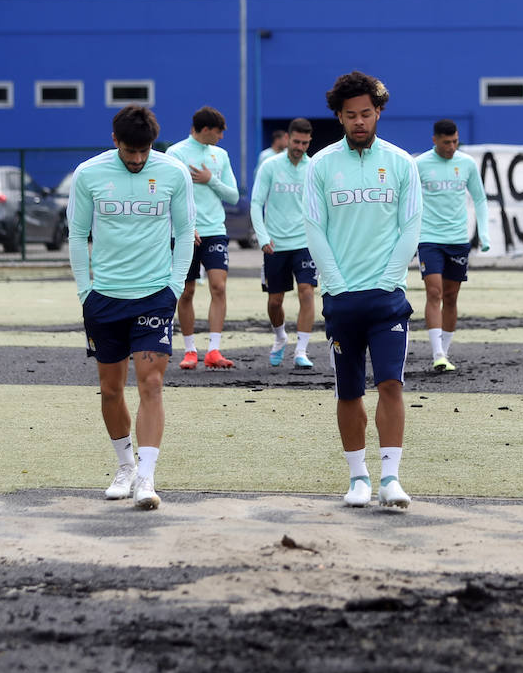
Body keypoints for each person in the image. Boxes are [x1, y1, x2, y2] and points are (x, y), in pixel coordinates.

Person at [303, 71, 422, 509]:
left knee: (391, 384)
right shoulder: (320, 165)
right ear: (339, 116)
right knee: (348, 391)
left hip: (387, 295)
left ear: (378, 113)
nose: (359, 122)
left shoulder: (400, 163)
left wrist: (391, 277)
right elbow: (314, 228)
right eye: (350, 115)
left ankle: (391, 478)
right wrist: (334, 282)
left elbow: (411, 226)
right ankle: (358, 479)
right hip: (341, 297)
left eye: (366, 114)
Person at [69, 105, 194, 509]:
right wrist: (85, 290)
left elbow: (186, 230)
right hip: (104, 297)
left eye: (144, 152)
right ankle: (124, 466)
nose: (137, 160)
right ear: (115, 141)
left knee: (151, 382)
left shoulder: (173, 172)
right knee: (110, 389)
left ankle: (146, 476)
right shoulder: (89, 174)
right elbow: (76, 234)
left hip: (155, 294)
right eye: (129, 152)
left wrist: (174, 287)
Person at [166, 106, 240, 370]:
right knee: (186, 291)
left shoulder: (220, 155)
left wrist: (211, 180)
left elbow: (232, 195)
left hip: (215, 230)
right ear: (206, 129)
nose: (221, 137)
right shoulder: (175, 153)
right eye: (219, 132)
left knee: (218, 286)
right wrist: (185, 225)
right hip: (185, 232)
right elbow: (168, 196)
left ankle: (214, 350)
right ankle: (189, 350)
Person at [415, 119, 490, 372]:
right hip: (429, 238)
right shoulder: (419, 164)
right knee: (434, 292)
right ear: (434, 139)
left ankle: (445, 352)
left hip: (458, 240)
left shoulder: (466, 163)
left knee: (451, 296)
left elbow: (479, 198)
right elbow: (407, 201)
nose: (451, 147)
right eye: (446, 142)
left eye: (455, 141)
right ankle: (437, 353)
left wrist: (485, 235)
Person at [250, 117, 317, 368]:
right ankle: (280, 338)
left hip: (304, 243)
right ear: (287, 139)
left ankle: (301, 350)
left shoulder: (313, 168)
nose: (300, 146)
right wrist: (262, 237)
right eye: (296, 141)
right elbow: (256, 203)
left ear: (310, 142)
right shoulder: (270, 165)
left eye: (305, 142)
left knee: (306, 292)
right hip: (275, 244)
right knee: (275, 301)